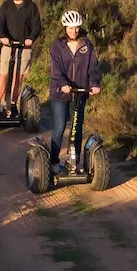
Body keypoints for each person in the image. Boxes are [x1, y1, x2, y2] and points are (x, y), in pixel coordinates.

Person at [46, 10, 100, 173]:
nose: (74, 31)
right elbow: (55, 71)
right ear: (65, 28)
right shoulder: (57, 46)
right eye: (70, 28)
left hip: (80, 91)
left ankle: (74, 161)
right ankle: (54, 162)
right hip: (61, 93)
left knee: (77, 127)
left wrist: (94, 83)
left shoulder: (87, 45)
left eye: (76, 28)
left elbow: (93, 67)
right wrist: (62, 84)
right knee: (59, 128)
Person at [0, 0, 42, 114]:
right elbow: (0, 24)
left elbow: (37, 26)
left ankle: (12, 105)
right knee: (4, 75)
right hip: (8, 46)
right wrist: (2, 36)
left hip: (24, 46)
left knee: (18, 77)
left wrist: (31, 38)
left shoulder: (31, 6)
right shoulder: (6, 6)